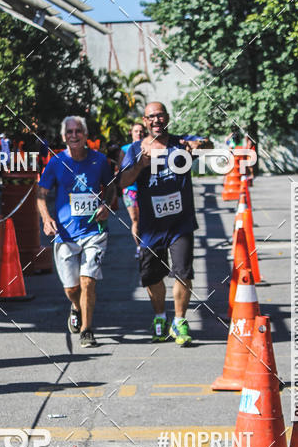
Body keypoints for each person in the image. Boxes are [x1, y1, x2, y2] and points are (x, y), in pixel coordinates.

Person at [120, 101, 198, 346]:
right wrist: (140, 165)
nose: (156, 120)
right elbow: (122, 182)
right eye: (151, 117)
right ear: (145, 121)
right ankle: (160, 318)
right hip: (151, 226)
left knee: (183, 272)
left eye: (160, 115)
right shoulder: (135, 149)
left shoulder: (180, 144)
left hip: (180, 223)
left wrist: (200, 145)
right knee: (152, 276)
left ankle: (180, 321)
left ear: (167, 118)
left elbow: (206, 144)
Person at [37, 115, 116, 347]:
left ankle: (87, 330)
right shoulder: (56, 162)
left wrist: (106, 204)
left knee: (88, 281)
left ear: (85, 135)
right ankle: (75, 306)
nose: (74, 135)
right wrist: (46, 218)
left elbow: (111, 187)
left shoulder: (99, 160)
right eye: (69, 132)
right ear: (64, 137)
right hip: (65, 235)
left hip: (94, 231)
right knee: (72, 288)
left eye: (78, 131)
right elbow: (41, 193)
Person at [119, 122, 145, 257]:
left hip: (146, 189)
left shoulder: (150, 147)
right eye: (136, 131)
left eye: (141, 131)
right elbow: (121, 171)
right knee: (135, 219)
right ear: (131, 133)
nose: (139, 134)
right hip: (131, 190)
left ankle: (148, 245)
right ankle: (139, 246)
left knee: (146, 219)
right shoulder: (125, 149)